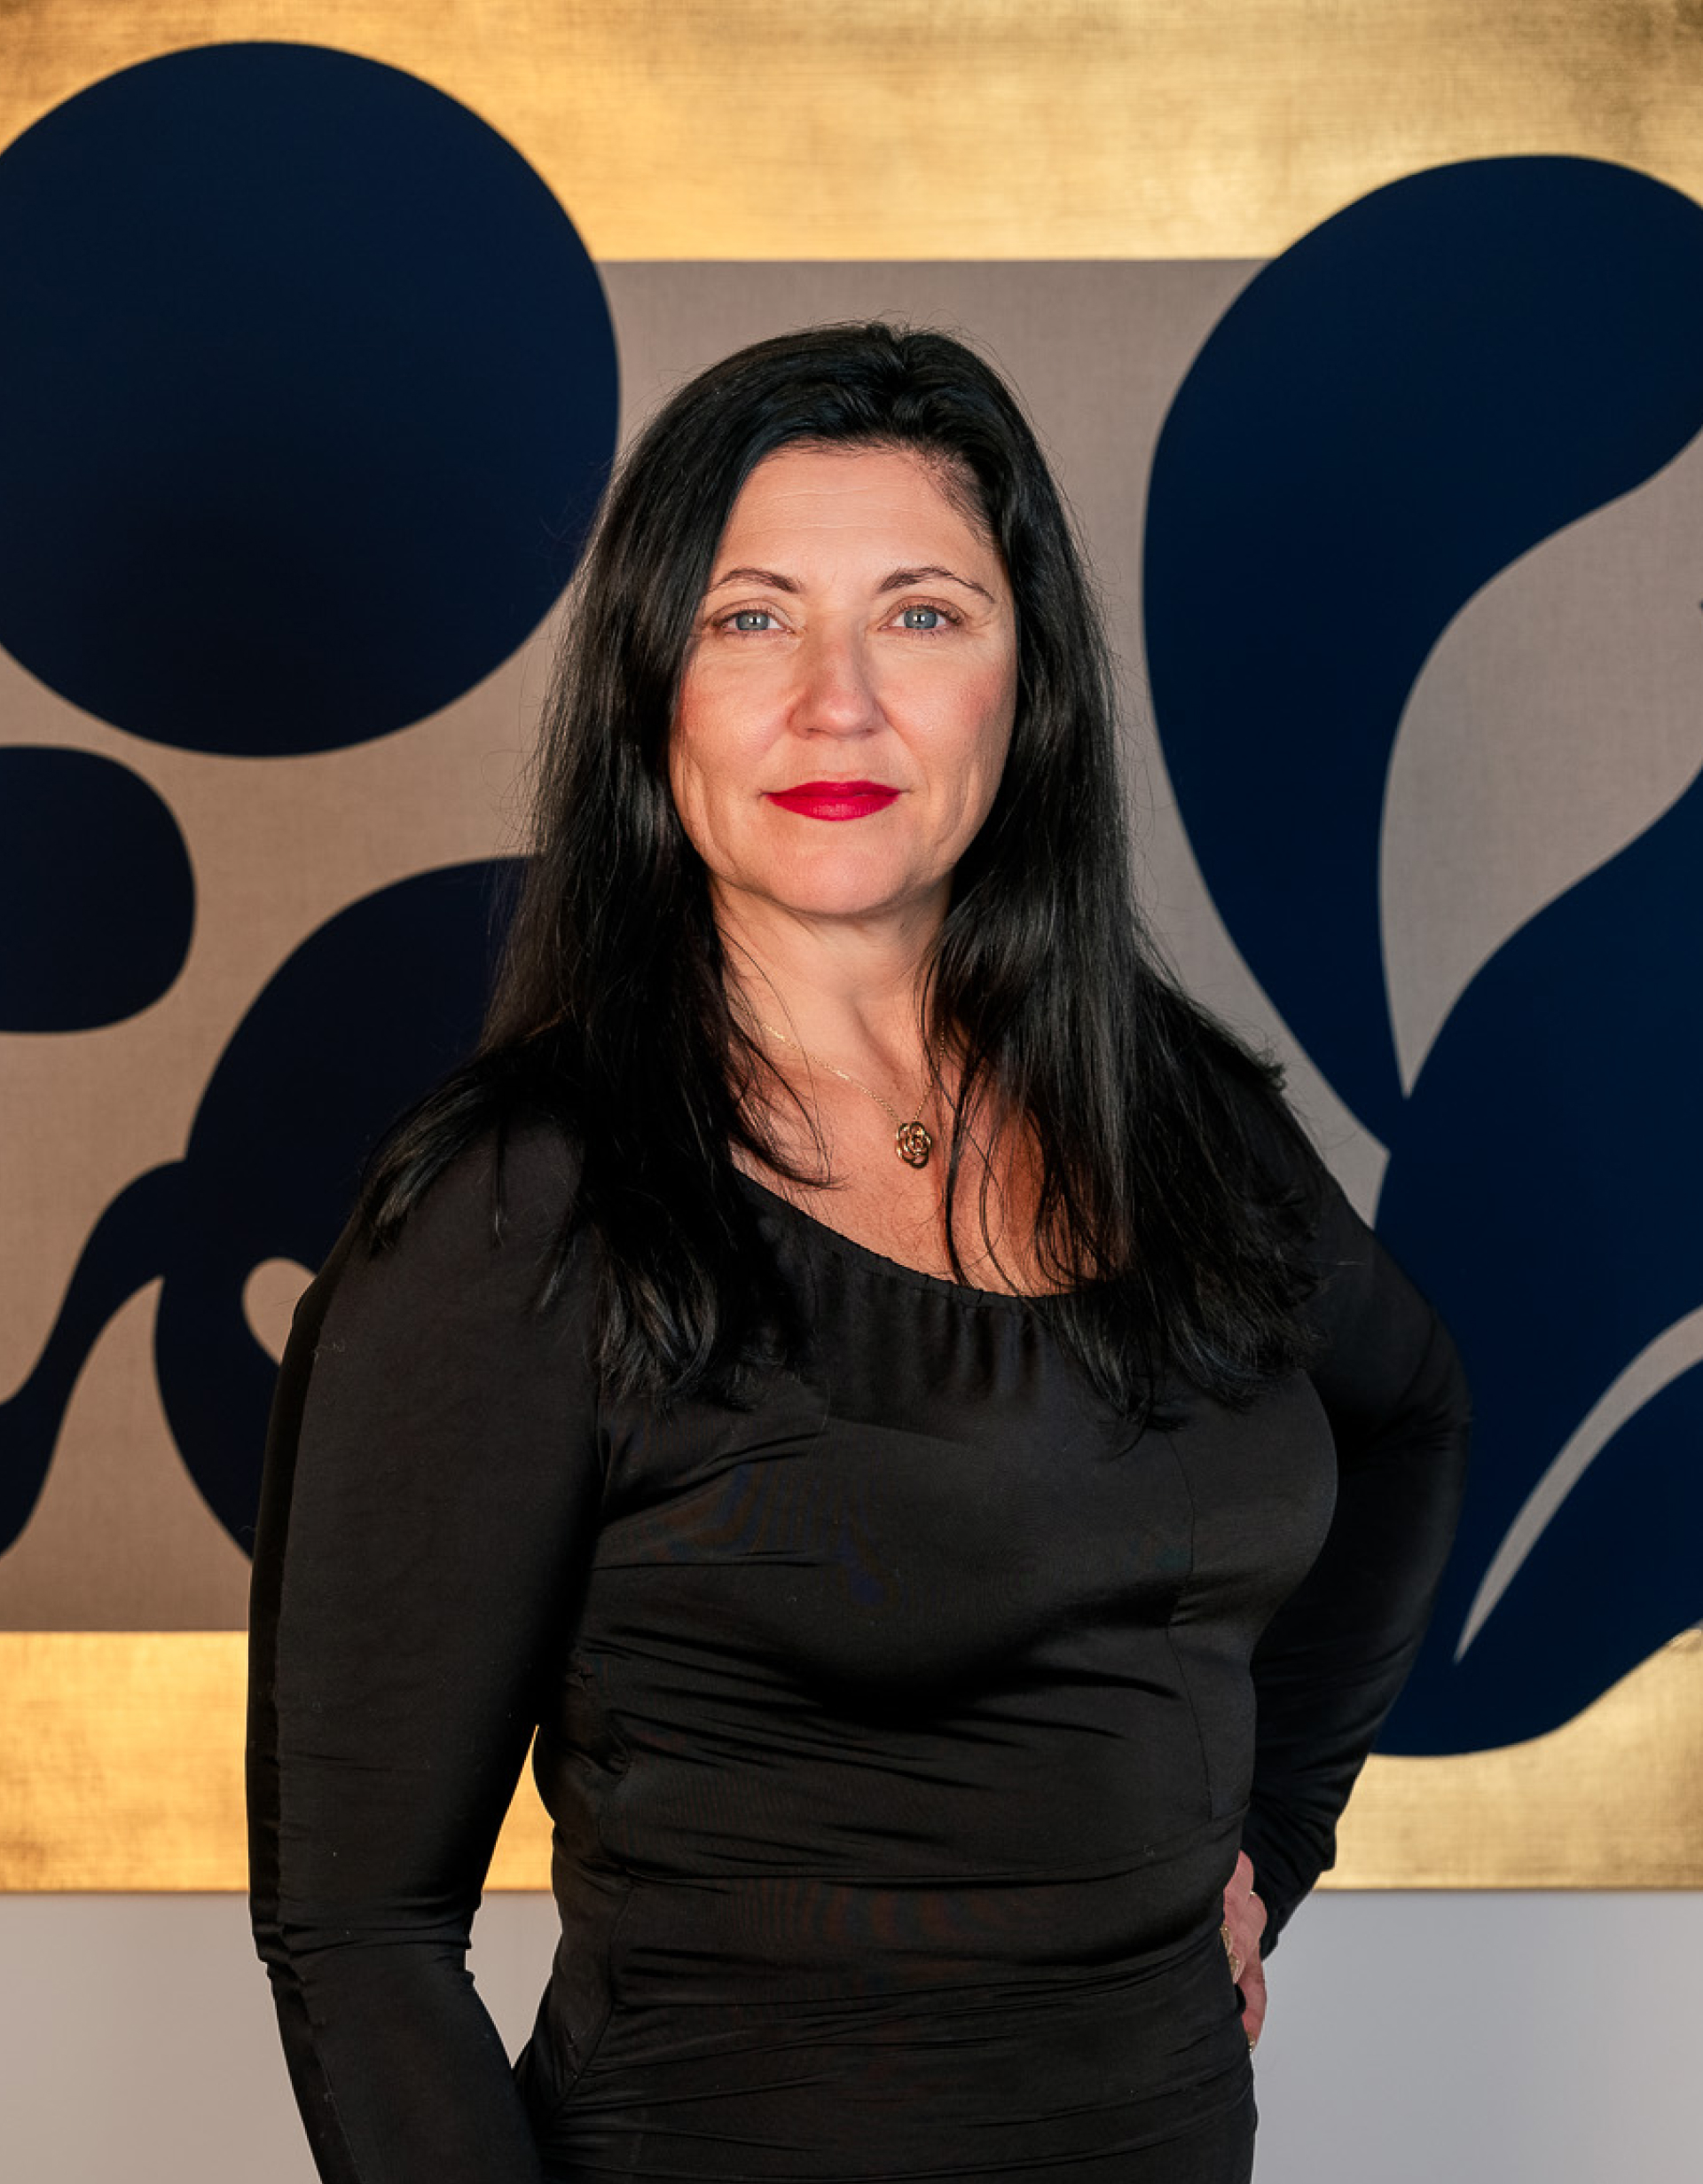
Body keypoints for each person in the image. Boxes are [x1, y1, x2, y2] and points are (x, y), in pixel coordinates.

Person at [247, 321, 1471, 2183]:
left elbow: (1410, 1411)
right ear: (657, 687)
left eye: (920, 613)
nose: (837, 701)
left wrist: (1271, 1844)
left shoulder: (1182, 1119)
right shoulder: (516, 1215)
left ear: (1027, 680)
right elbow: (362, 1935)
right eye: (753, 618)